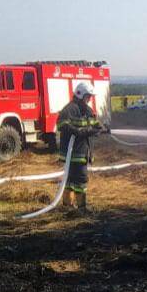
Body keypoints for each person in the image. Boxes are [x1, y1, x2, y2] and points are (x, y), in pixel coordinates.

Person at [56, 82, 104, 213]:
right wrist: (78, 131)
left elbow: (96, 126)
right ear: (80, 95)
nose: (89, 99)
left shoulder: (87, 110)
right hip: (72, 153)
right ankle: (79, 208)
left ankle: (68, 207)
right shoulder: (69, 109)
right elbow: (61, 125)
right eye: (88, 96)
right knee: (78, 181)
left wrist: (95, 130)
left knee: (72, 180)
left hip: (83, 152)